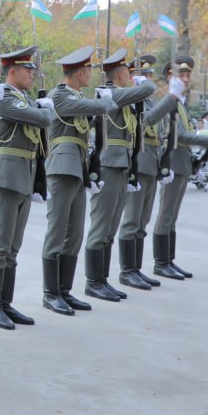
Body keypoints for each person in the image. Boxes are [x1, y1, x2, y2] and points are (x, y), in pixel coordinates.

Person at [39, 46, 119, 316]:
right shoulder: (60, 95)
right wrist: (105, 101)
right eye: (88, 71)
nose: (90, 75)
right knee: (57, 231)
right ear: (79, 73)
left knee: (74, 234)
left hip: (78, 169)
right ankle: (51, 293)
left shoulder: (77, 97)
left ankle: (64, 290)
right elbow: (100, 107)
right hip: (62, 167)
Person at [0, 46, 53, 329]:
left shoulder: (26, 100)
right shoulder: (5, 98)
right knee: (1, 244)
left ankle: (5, 302)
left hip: (24, 175)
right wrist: (45, 108)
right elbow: (43, 119)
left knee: (13, 245)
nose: (32, 75)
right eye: (27, 70)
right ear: (11, 72)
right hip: (8, 175)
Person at [80, 48, 155, 303]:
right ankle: (93, 281)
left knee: (111, 227)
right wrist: (144, 83)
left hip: (121, 164)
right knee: (101, 226)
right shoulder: (111, 94)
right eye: (128, 73)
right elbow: (147, 90)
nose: (131, 78)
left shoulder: (121, 97)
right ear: (120, 75)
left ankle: (102, 279)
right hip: (108, 165)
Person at [115, 54, 181, 290]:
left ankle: (136, 268)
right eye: (144, 75)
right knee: (132, 219)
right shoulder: (131, 99)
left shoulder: (149, 101)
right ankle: (127, 271)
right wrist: (170, 98)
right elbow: (147, 121)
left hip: (151, 161)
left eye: (151, 74)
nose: (149, 79)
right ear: (132, 77)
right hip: (137, 161)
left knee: (143, 220)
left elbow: (160, 131)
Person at [151, 57, 208, 280]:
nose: (185, 79)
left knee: (173, 215)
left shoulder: (181, 102)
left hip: (182, 161)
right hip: (172, 161)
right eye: (181, 75)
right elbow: (177, 134)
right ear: (170, 77)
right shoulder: (169, 102)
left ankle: (168, 259)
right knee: (166, 214)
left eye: (188, 75)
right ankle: (160, 263)